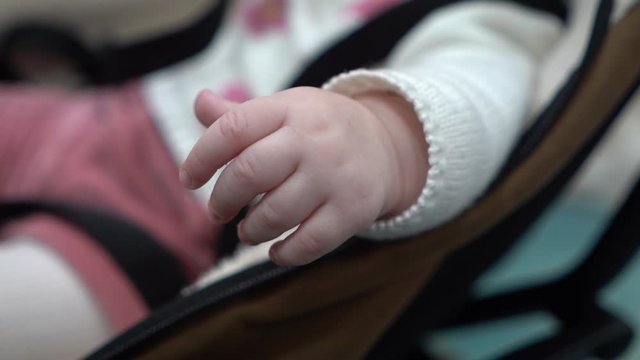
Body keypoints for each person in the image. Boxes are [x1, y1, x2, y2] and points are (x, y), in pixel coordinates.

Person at [0, 0, 565, 358]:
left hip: (173, 235)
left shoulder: (492, 18)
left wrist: (380, 136)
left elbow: (476, 97)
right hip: (103, 118)